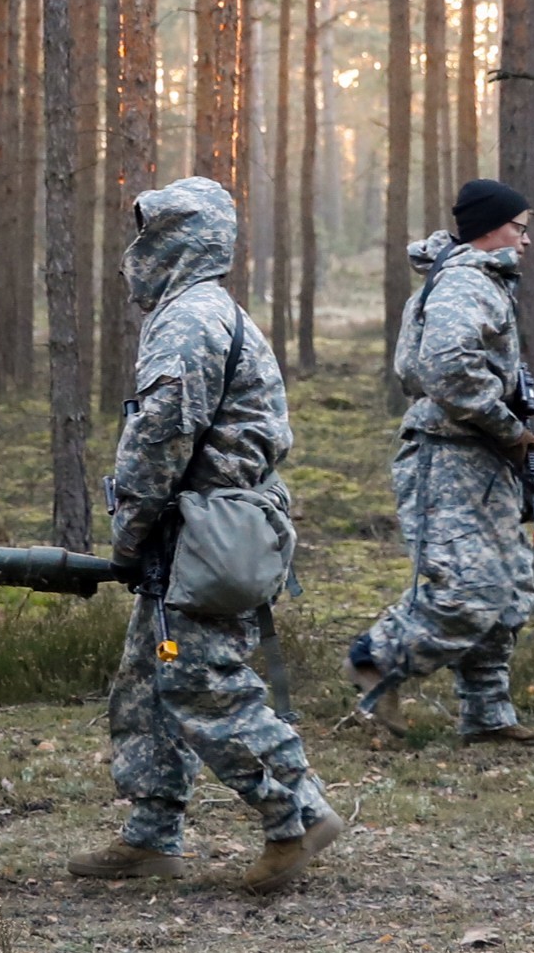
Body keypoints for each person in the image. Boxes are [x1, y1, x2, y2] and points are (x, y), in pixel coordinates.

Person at [69, 177, 341, 894]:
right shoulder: (204, 310)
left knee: (199, 678)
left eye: (148, 236)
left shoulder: (190, 317)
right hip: (202, 526)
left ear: (175, 241)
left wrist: (128, 527)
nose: (135, 252)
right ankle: (151, 833)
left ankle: (296, 812)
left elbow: (161, 433)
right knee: (146, 681)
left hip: (202, 527)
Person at [345, 178, 534, 745]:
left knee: (508, 586)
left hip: (478, 453)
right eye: (519, 228)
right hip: (451, 454)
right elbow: (448, 368)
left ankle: (486, 715)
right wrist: (507, 427)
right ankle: (378, 659)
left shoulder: (481, 281)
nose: (526, 241)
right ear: (490, 229)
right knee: (467, 589)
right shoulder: (466, 282)